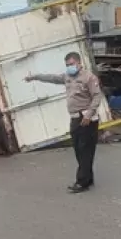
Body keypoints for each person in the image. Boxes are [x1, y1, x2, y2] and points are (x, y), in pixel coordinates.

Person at [25, 51, 102, 193]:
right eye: (67, 65)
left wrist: (89, 115)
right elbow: (52, 78)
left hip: (87, 118)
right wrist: (34, 77)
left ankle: (81, 181)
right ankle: (88, 178)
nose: (69, 67)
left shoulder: (89, 77)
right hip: (75, 118)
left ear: (79, 63)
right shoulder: (67, 76)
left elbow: (97, 96)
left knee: (85, 150)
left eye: (71, 64)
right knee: (79, 150)